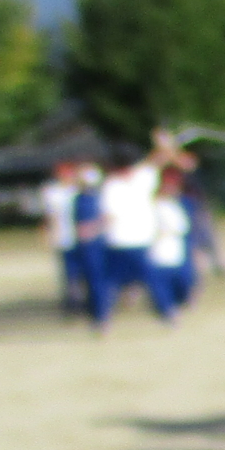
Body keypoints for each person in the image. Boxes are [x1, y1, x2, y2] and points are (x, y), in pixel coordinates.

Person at [85, 131, 185, 333]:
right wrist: (164, 142)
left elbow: (109, 216)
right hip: (144, 240)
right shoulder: (143, 177)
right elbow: (159, 159)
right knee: (153, 279)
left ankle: (103, 321)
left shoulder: (111, 184)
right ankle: (169, 314)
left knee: (108, 282)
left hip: (118, 242)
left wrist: (92, 229)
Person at [40, 159, 86, 313]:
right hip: (63, 237)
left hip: (81, 237)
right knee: (69, 272)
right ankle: (72, 302)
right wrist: (47, 233)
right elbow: (49, 216)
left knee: (84, 270)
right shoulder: (51, 192)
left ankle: (85, 299)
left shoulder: (79, 190)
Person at [150, 167, 197, 312]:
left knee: (183, 278)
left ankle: (183, 299)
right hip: (160, 247)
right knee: (163, 278)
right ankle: (167, 307)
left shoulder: (180, 204)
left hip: (177, 246)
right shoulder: (154, 204)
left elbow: (184, 227)